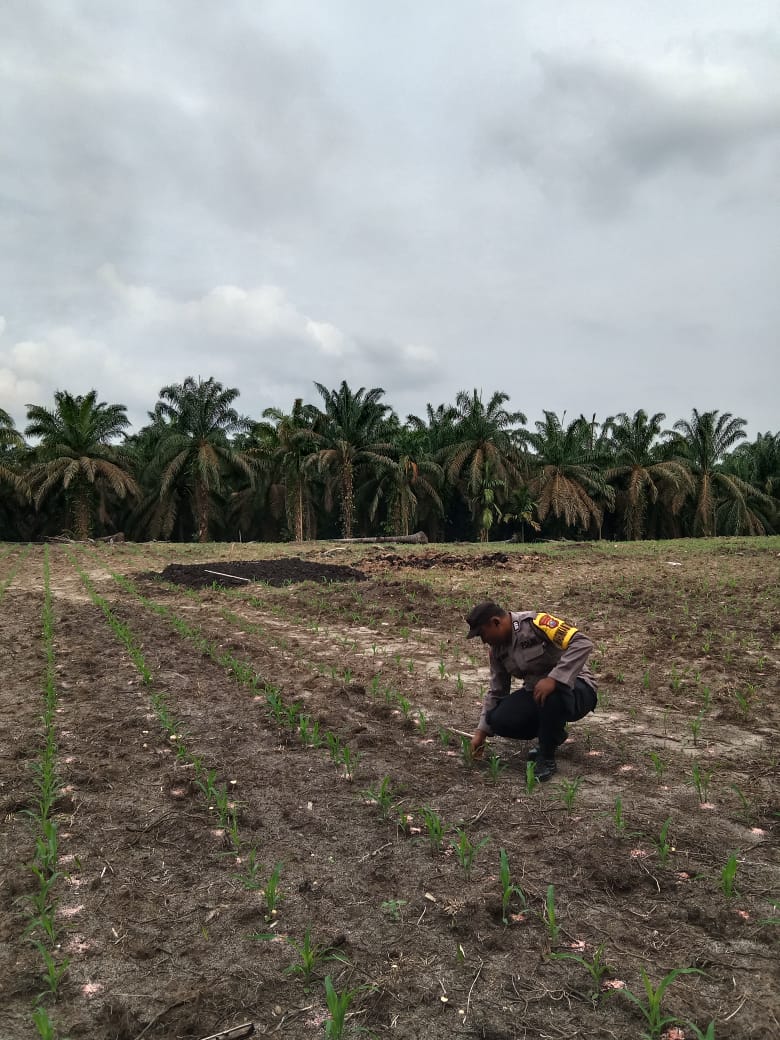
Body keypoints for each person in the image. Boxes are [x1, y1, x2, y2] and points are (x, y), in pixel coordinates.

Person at [466, 600, 598, 781]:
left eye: (482, 633)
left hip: (577, 689)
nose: (483, 640)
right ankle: (553, 733)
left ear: (495, 622)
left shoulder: (537, 623)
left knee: (550, 693)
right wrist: (481, 734)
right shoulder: (497, 651)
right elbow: (497, 691)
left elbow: (582, 643)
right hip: (538, 693)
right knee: (497, 719)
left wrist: (555, 678)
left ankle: (546, 756)